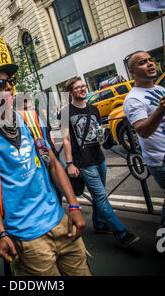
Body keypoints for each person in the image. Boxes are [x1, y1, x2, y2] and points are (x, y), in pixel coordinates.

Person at [0, 63, 91, 276]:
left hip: (60, 222)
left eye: (10, 81)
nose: (9, 87)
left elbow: (53, 163)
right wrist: (1, 233)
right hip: (26, 237)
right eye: (0, 83)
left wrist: (73, 207)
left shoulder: (29, 118)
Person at [61, 76, 140, 248]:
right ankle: (122, 233)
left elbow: (97, 132)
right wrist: (70, 164)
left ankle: (99, 223)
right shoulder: (66, 112)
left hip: (99, 157)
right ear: (70, 92)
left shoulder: (94, 109)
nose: (82, 89)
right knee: (101, 197)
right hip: (83, 162)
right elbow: (65, 139)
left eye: (83, 86)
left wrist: (103, 136)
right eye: (78, 87)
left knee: (100, 194)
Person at [123, 50, 165, 229]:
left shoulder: (160, 89)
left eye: (150, 60)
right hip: (161, 159)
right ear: (132, 72)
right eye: (142, 62)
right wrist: (160, 110)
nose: (149, 64)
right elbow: (142, 130)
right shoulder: (133, 99)